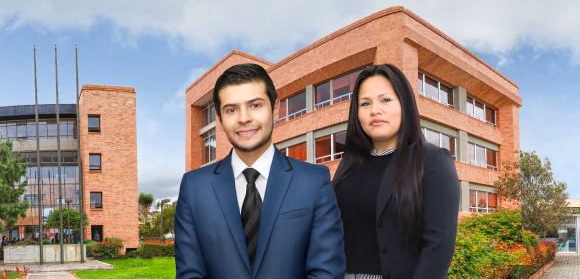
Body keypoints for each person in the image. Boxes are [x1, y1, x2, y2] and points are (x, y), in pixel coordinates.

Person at [175, 63, 345, 278]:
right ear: (219, 118)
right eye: (231, 109)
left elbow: (326, 272)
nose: (244, 118)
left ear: (275, 108)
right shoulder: (194, 187)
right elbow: (190, 273)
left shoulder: (314, 181)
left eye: (255, 105)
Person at [332, 64, 460, 279]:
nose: (375, 110)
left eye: (385, 100)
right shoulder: (349, 164)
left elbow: (438, 246)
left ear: (404, 104)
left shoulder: (433, 161)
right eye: (365, 103)